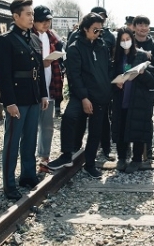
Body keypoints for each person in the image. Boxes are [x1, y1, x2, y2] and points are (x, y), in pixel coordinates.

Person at [0, 0, 48, 200]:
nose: (31, 17)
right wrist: (9, 102)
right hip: (17, 98)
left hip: (33, 96)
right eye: (28, 14)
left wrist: (43, 93)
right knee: (12, 141)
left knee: (30, 139)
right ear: (15, 16)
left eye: (32, 14)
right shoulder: (5, 40)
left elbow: (39, 70)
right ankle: (9, 184)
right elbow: (3, 74)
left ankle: (28, 175)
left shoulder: (34, 39)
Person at [47, 13, 113, 179]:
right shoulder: (75, 48)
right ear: (85, 28)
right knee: (69, 117)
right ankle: (66, 154)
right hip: (82, 93)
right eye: (95, 29)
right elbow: (74, 75)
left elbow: (107, 69)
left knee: (95, 131)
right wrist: (84, 97)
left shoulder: (102, 46)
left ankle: (89, 164)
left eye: (100, 29)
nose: (98, 33)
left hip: (100, 95)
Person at [110, 28, 154, 173]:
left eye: (127, 39)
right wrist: (115, 82)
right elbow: (110, 75)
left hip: (138, 100)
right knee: (120, 127)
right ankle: (122, 157)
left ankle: (136, 159)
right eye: (122, 40)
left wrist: (143, 73)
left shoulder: (141, 56)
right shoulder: (116, 57)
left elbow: (152, 81)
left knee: (137, 129)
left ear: (132, 39)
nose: (125, 43)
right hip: (120, 99)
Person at [32, 5, 66, 173]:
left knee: (47, 125)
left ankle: (44, 158)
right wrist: (41, 63)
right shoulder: (28, 36)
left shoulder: (52, 37)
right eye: (43, 21)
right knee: (30, 127)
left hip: (50, 85)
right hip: (32, 88)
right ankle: (29, 160)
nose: (46, 24)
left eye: (48, 21)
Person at [133, 15, 154, 160]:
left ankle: (148, 150)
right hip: (129, 86)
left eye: (146, 25)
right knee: (129, 118)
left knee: (147, 119)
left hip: (147, 87)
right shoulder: (128, 41)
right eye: (140, 25)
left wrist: (149, 58)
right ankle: (130, 152)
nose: (143, 28)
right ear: (134, 27)